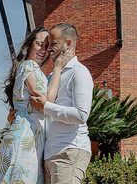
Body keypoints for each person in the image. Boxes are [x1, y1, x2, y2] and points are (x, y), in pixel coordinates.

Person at [0, 27, 73, 184]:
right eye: (39, 44)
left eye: (47, 46)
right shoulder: (28, 66)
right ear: (29, 44)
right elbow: (45, 100)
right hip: (25, 139)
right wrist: (58, 68)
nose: (43, 50)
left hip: (31, 138)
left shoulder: (34, 70)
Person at [30, 23, 94, 184]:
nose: (49, 49)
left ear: (68, 43)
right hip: (50, 153)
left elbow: (81, 115)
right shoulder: (53, 75)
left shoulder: (79, 72)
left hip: (69, 151)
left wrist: (46, 106)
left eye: (54, 44)